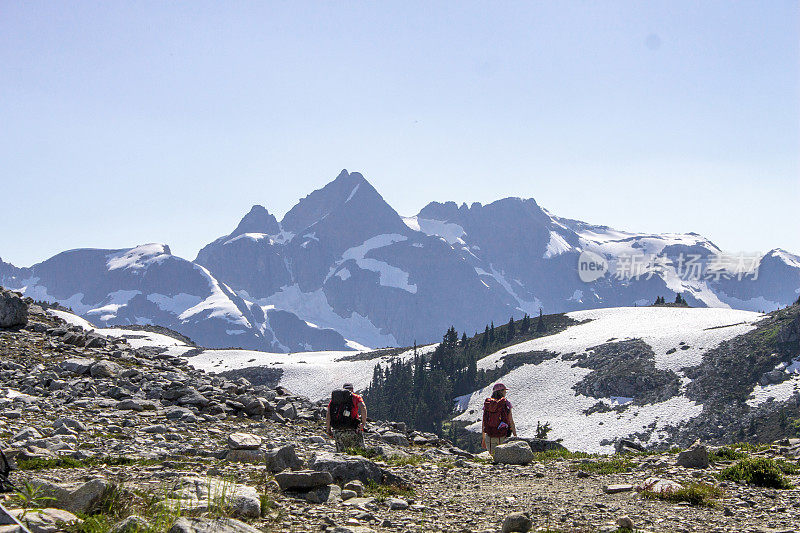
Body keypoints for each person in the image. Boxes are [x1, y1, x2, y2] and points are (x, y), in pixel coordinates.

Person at [326, 383, 367, 452]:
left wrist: (328, 429)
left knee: (341, 453)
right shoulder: (356, 397)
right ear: (352, 389)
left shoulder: (335, 399)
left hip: (338, 429)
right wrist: (363, 423)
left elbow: (328, 413)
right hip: (353, 428)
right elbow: (363, 407)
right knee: (359, 451)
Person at [482, 383, 517, 455]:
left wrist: (483, 438)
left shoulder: (488, 403)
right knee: (504, 456)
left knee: (494, 457)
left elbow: (484, 421)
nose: (505, 392)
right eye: (504, 390)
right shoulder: (506, 403)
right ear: (501, 391)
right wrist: (515, 436)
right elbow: (511, 421)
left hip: (490, 435)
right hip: (503, 434)